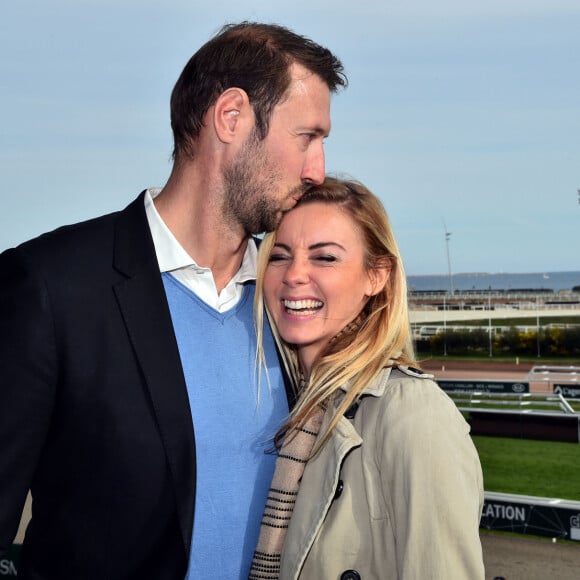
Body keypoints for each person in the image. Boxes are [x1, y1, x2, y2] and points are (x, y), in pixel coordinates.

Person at [0, 22, 346, 579]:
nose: (318, 170)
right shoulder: (50, 286)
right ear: (231, 118)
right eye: (307, 136)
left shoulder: (295, 303)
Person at [251, 177, 485, 579]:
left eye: (325, 258)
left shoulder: (413, 414)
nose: (294, 274)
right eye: (280, 256)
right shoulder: (287, 404)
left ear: (376, 276)